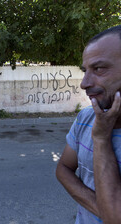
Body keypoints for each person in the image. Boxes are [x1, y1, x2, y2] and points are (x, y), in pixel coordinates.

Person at [56, 25, 121, 224]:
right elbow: (63, 169)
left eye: (98, 69)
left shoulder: (96, 126)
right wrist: (100, 206)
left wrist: (101, 138)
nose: (84, 83)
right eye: (86, 70)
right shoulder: (85, 117)